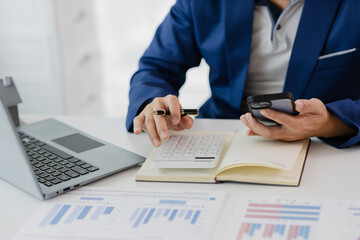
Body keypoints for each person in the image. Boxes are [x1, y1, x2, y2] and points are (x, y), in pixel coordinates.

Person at [126, 0, 360, 148]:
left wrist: (332, 123)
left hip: (323, 147)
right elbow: (156, 67)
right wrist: (150, 103)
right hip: (225, 136)